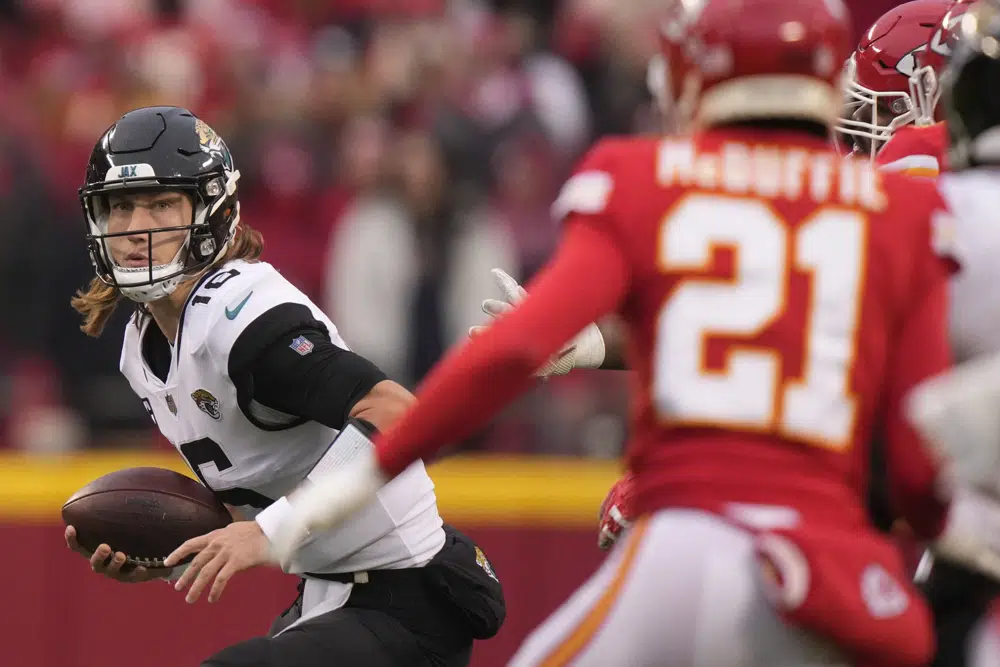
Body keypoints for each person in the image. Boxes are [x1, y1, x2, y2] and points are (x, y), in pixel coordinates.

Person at [268, 0, 1000, 664]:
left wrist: (369, 472)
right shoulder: (900, 214)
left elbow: (515, 347)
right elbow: (914, 469)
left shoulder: (647, 176)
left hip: (690, 544)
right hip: (840, 567)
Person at [63, 106, 504, 667]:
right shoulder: (143, 346)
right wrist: (166, 558)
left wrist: (270, 532)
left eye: (160, 204)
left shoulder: (237, 317)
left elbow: (400, 414)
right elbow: (259, 486)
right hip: (331, 600)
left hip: (407, 598)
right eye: (121, 205)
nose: (134, 227)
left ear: (211, 210)